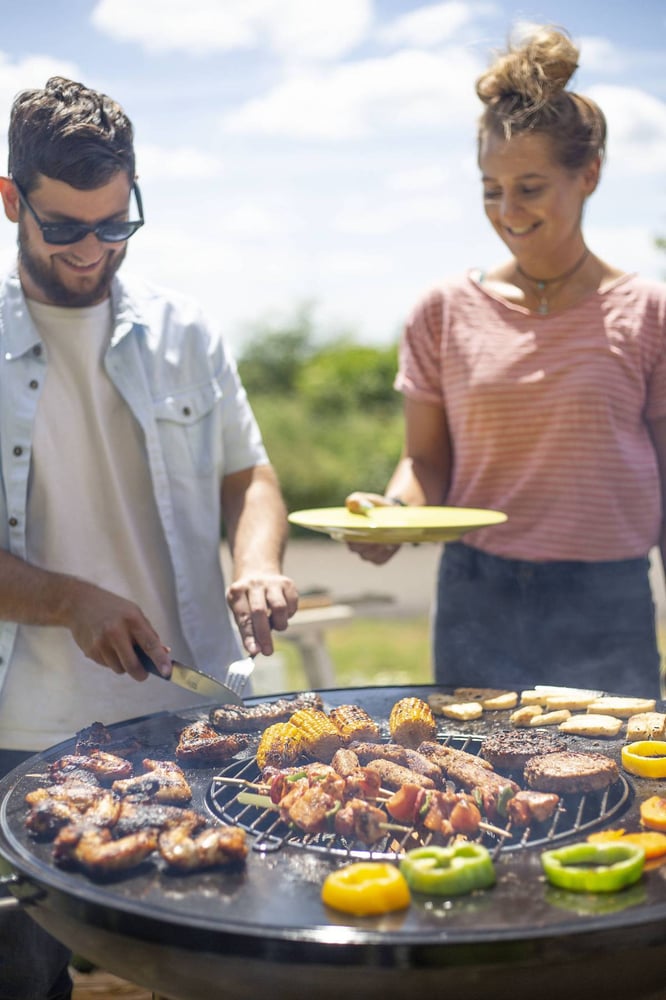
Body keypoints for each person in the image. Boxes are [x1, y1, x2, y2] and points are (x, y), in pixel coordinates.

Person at [0, 77, 298, 1000]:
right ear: (10, 200)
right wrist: (69, 602)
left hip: (195, 721)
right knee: (22, 978)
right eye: (65, 227)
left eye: (116, 224)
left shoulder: (186, 330)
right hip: (27, 732)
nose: (93, 249)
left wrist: (256, 561)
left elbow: (250, 475)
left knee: (224, 970)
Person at [346, 25, 666, 702]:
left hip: (607, 599)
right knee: (465, 765)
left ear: (589, 174)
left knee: (619, 770)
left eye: (529, 187)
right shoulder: (442, 309)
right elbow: (426, 461)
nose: (507, 211)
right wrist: (392, 514)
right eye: (491, 189)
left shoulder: (649, 312)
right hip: (477, 593)